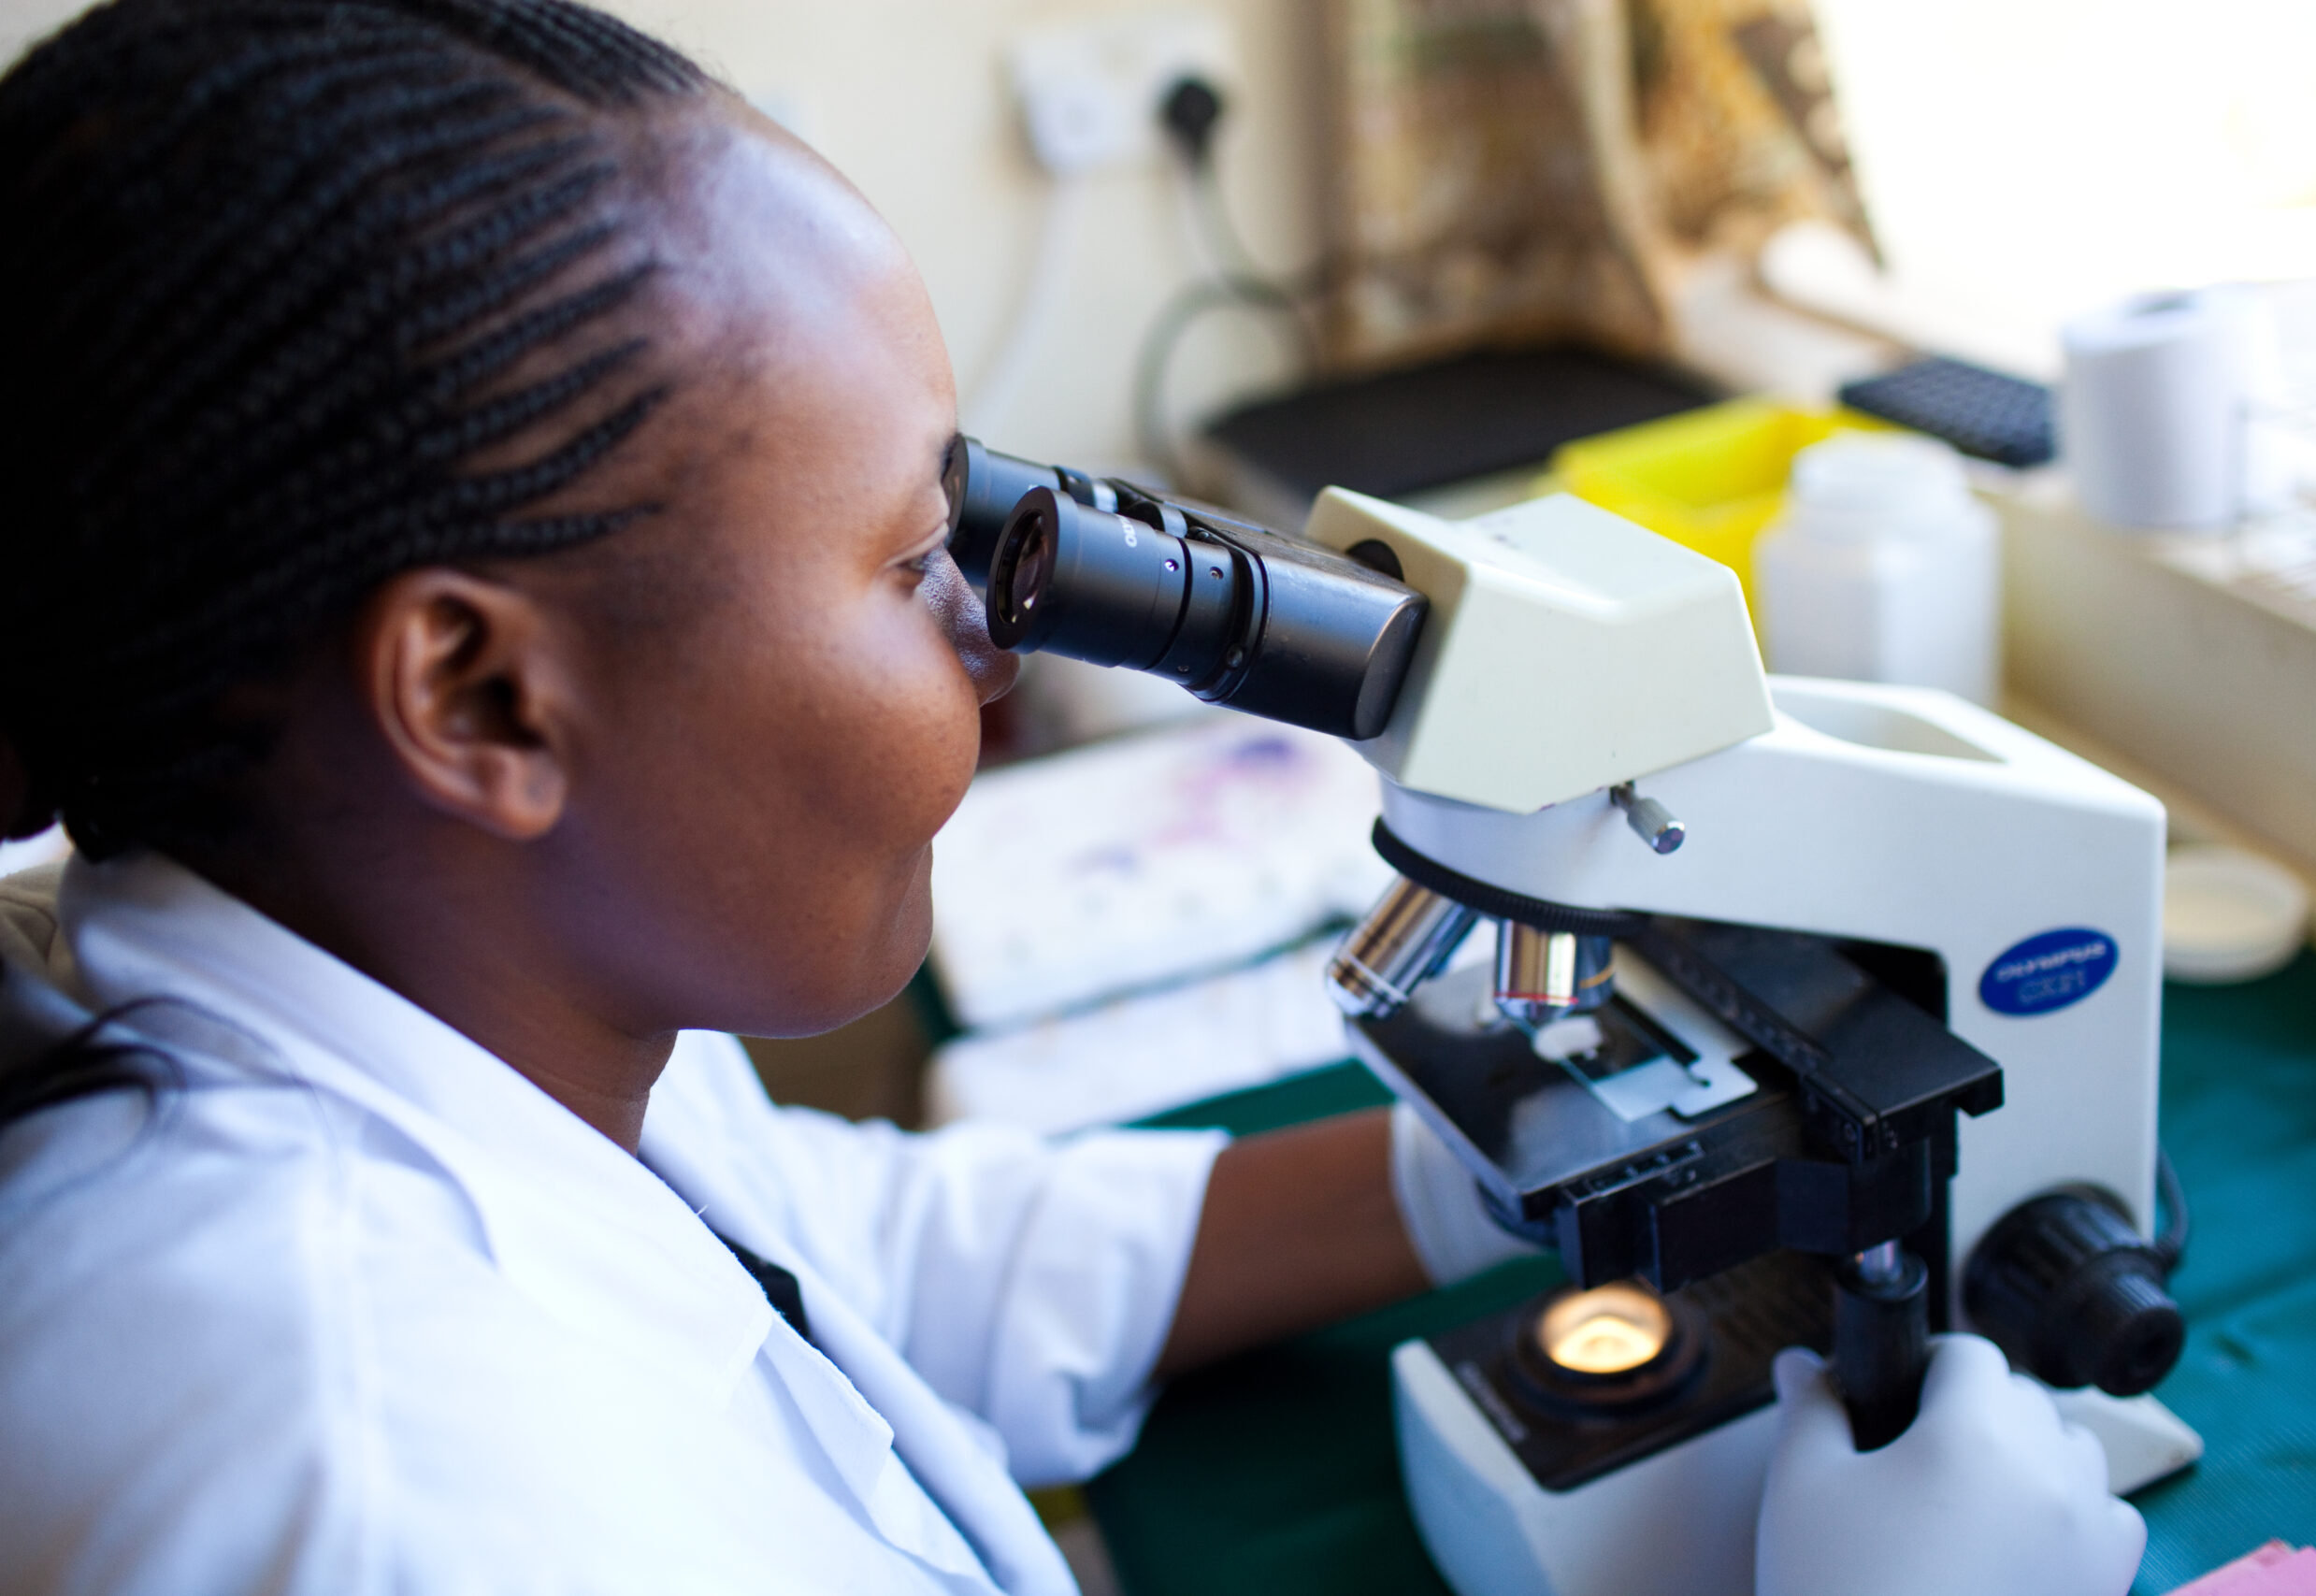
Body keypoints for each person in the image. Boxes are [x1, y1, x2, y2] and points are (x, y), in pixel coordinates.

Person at [0, 1, 2145, 1591]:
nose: (996, 631)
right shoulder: (382, 1494)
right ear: (478, 694)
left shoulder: (440, 1008)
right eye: (903, 552)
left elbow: (826, 1262)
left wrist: (1470, 1181)